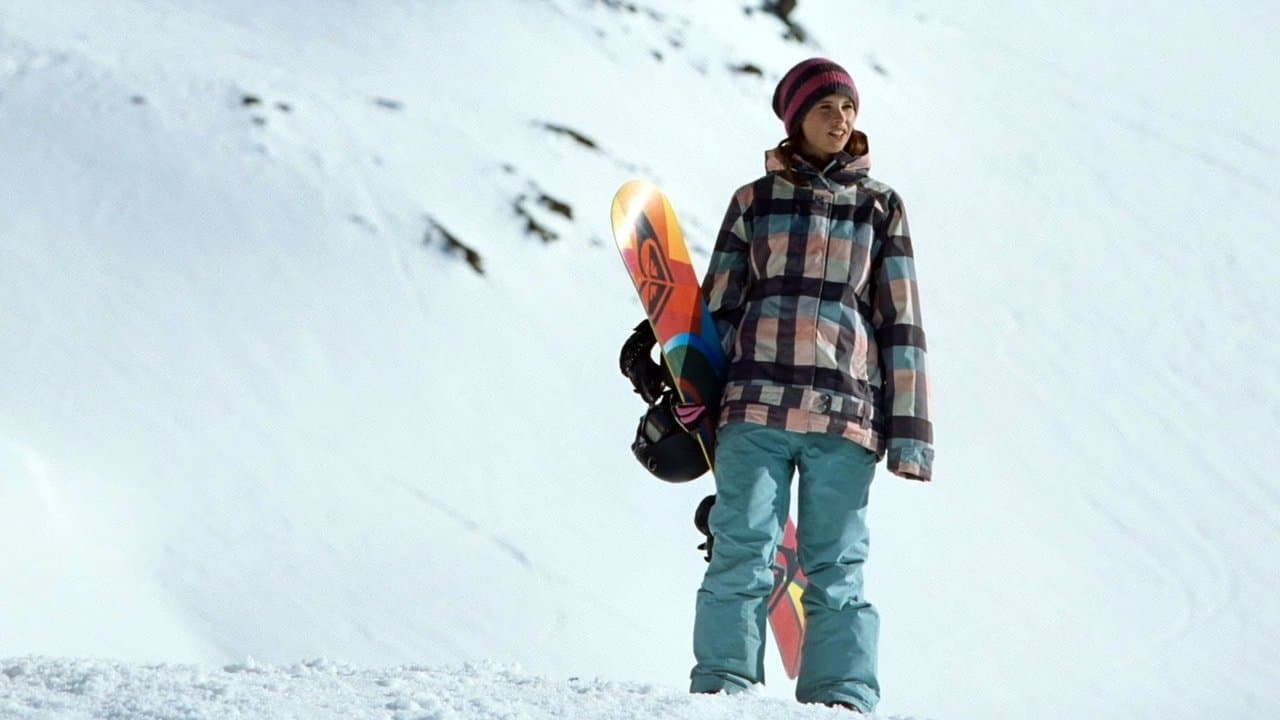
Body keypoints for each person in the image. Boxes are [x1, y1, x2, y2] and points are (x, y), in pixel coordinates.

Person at [690, 57, 934, 713]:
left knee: (837, 566)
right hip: (755, 408)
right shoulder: (754, 201)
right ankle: (720, 691)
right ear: (797, 118)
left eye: (849, 108)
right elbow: (719, 308)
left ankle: (842, 700)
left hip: (844, 418)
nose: (841, 119)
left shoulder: (881, 207)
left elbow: (901, 321)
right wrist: (695, 394)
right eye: (826, 107)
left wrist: (911, 435)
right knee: (742, 551)